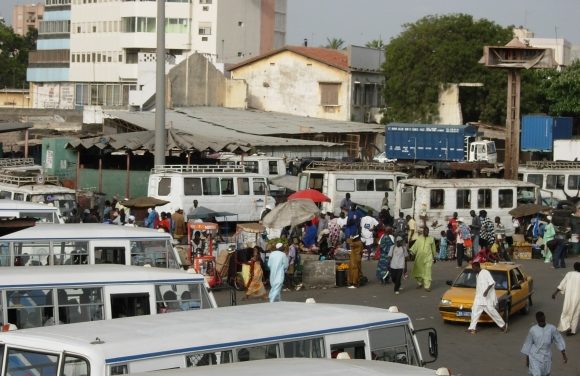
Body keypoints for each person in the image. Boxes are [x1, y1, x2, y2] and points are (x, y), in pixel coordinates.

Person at [466, 262, 508, 334]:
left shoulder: (485, 272)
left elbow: (492, 283)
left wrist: (486, 291)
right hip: (479, 298)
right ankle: (472, 328)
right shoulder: (477, 275)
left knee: (492, 312)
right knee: (474, 311)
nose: (472, 269)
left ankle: (503, 325)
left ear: (477, 267)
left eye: (473, 268)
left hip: (487, 298)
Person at [521, 311, 567, 376]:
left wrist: (564, 355)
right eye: (540, 321)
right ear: (537, 320)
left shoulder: (551, 328)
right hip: (535, 356)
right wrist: (527, 360)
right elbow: (528, 344)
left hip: (547, 357)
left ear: (545, 318)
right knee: (537, 374)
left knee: (546, 373)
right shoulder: (533, 330)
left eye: (543, 321)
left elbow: (559, 340)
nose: (541, 323)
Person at [551, 262, 580, 336]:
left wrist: (555, 293)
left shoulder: (569, 274)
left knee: (566, 311)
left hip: (569, 298)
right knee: (576, 313)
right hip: (578, 299)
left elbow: (562, 284)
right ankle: (572, 330)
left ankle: (567, 327)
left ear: (574, 267)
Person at [409, 227, 437, 292]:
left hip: (428, 258)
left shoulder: (431, 239)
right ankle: (419, 283)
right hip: (419, 258)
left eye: (427, 231)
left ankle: (427, 286)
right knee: (418, 270)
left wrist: (434, 257)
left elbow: (433, 248)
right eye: (425, 231)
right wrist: (411, 253)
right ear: (423, 231)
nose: (426, 232)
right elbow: (415, 246)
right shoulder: (419, 238)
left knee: (428, 271)